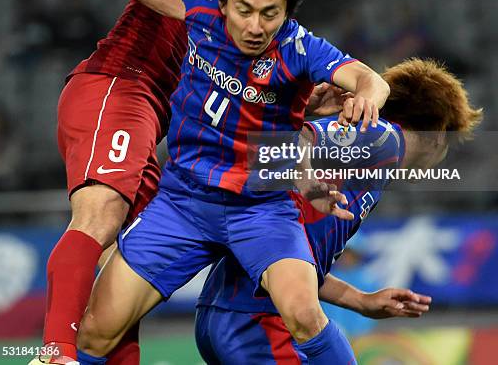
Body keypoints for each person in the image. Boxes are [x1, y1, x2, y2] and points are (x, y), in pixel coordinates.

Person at [20, 0, 390, 365]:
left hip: (256, 210)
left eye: (268, 14)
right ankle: (57, 353)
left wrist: (363, 96)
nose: (254, 26)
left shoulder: (298, 46)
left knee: (302, 313)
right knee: (97, 314)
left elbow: (364, 80)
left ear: (286, 11)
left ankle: (59, 353)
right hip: (171, 176)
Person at [194, 57, 482, 363]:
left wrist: (360, 300)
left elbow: (293, 264)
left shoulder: (369, 162)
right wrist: (307, 179)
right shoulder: (382, 138)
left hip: (227, 314)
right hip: (256, 319)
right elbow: (273, 151)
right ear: (439, 135)